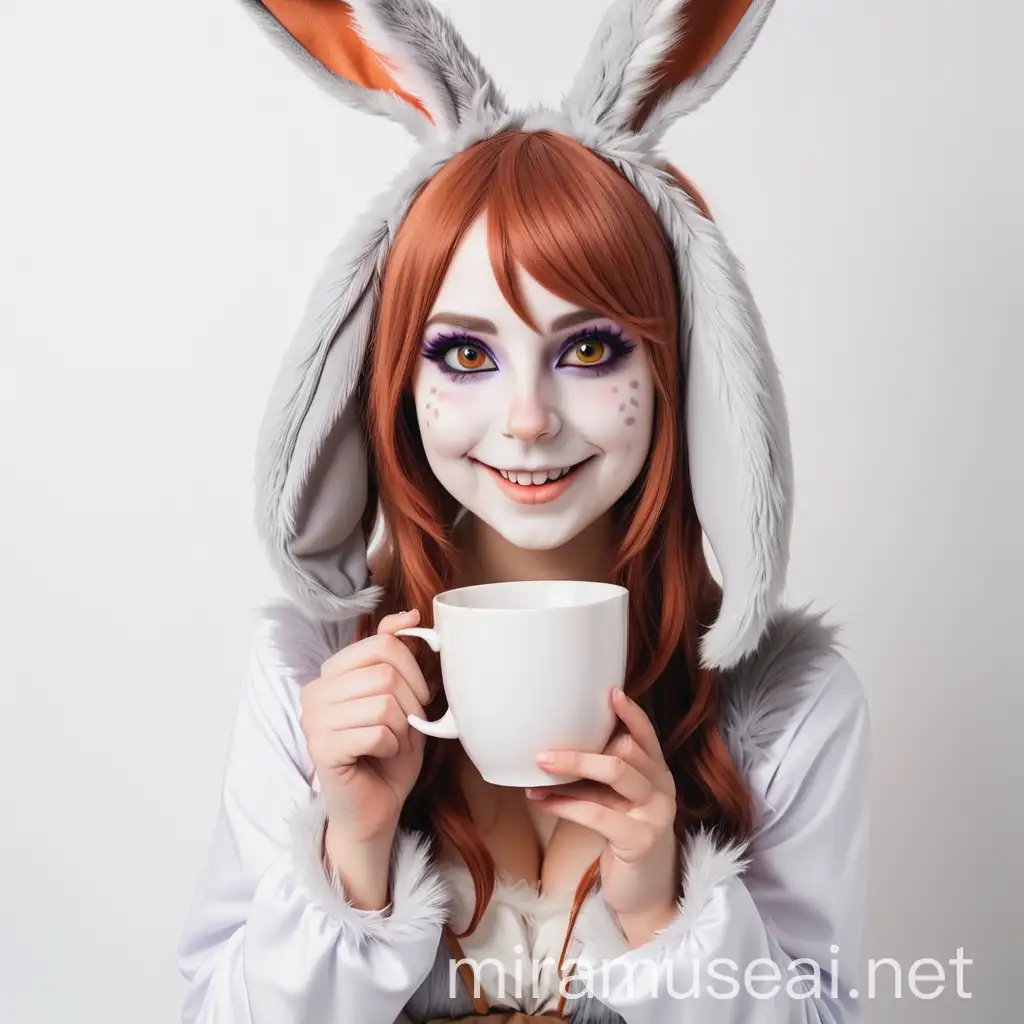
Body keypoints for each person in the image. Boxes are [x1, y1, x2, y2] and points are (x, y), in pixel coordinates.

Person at [177, 2, 872, 1022]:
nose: (528, 419)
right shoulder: (314, 684)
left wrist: (660, 912)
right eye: (463, 353)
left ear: (676, 364)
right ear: (393, 380)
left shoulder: (785, 712)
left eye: (589, 349)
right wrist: (351, 850)